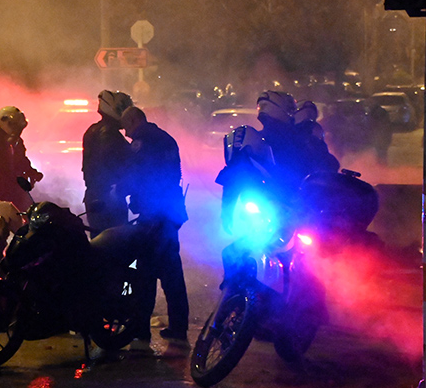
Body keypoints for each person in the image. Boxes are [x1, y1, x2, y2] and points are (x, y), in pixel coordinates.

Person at [216, 91, 339, 234]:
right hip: (274, 206)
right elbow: (236, 174)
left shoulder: (304, 138)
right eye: (290, 109)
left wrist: (227, 212)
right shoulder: (255, 139)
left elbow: (328, 169)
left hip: (298, 207)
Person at [120, 106, 190, 343]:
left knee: (143, 274)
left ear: (134, 120)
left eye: (126, 126)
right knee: (172, 273)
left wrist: (119, 191)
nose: (126, 132)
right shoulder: (166, 138)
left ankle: (140, 329)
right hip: (170, 213)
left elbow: (135, 177)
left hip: (152, 216)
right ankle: (179, 327)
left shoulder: (142, 142)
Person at [82, 90, 133, 238]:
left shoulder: (93, 130)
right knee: (116, 240)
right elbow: (115, 164)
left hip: (95, 195)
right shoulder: (110, 134)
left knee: (98, 240)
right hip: (110, 198)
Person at [0, 106, 43, 189]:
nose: (18, 130)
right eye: (15, 125)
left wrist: (32, 172)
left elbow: (21, 160)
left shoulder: (17, 141)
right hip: (1, 187)